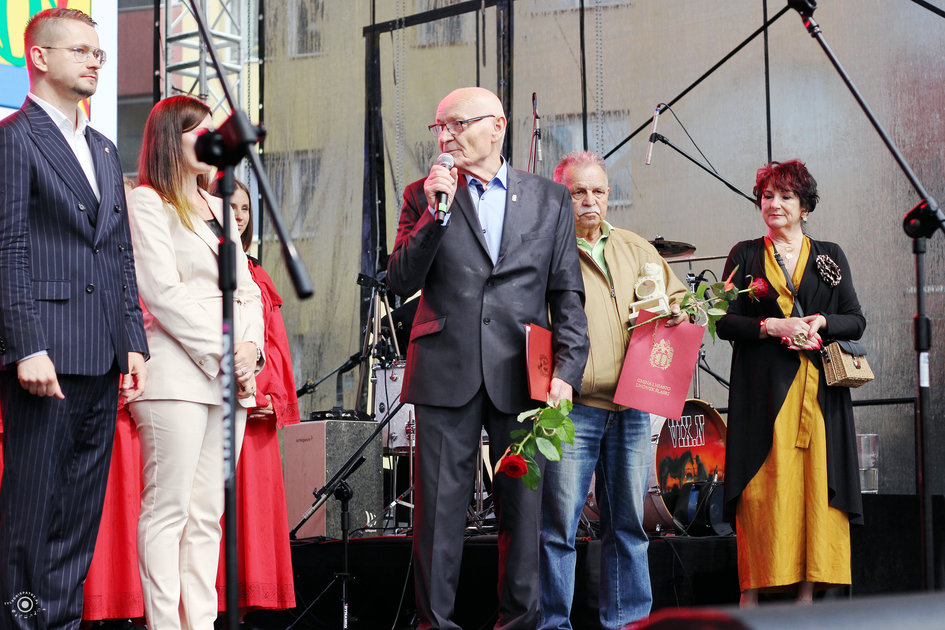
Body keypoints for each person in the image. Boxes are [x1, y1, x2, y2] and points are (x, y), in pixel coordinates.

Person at [386, 86, 589, 630]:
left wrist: (567, 372)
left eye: (457, 123)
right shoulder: (422, 195)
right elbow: (400, 279)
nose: (446, 136)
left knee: (524, 517)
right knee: (438, 517)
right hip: (444, 370)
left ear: (497, 126)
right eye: (440, 127)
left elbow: (567, 296)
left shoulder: (549, 199)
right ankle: (435, 625)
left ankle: (519, 624)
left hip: (524, 375)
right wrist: (435, 213)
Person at [0, 9, 148, 629]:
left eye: (98, 53)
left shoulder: (104, 147)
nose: (94, 61)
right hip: (46, 353)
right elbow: (7, 247)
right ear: (38, 57)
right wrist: (26, 345)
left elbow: (118, 252)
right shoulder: (14, 138)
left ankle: (58, 622)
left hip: (102, 352)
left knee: (78, 515)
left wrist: (132, 339)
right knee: (32, 513)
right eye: (81, 50)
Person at [127, 95, 264, 630]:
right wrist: (226, 352)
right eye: (198, 131)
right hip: (177, 373)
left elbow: (248, 289)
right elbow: (162, 292)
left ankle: (201, 623)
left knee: (208, 515)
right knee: (168, 511)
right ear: (170, 139)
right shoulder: (148, 202)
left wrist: (250, 349)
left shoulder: (219, 205)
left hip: (231, 377)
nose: (211, 140)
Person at [540, 152, 688, 629]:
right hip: (573, 408)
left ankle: (627, 625)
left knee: (628, 527)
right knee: (557, 530)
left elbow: (681, 299)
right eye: (578, 191)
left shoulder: (635, 247)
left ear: (608, 195)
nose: (590, 200)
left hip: (632, 407)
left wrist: (678, 312)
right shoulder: (544, 249)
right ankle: (552, 625)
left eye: (598, 191)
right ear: (560, 196)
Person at [716, 159, 865, 606]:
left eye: (786, 196)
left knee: (815, 489)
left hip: (818, 395)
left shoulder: (829, 254)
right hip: (763, 397)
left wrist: (821, 321)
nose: (774, 204)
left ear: (805, 207)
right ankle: (750, 597)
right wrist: (770, 327)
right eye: (768, 196)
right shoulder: (745, 254)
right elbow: (722, 321)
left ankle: (806, 597)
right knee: (762, 492)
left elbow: (855, 319)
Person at [210, 178, 299, 614]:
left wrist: (270, 398)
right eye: (230, 205)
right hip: (213, 398)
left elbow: (274, 345)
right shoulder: (201, 259)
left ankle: (241, 613)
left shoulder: (257, 272)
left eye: (245, 208)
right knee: (211, 513)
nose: (238, 215)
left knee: (252, 514)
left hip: (255, 405)